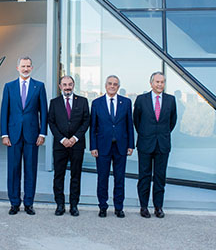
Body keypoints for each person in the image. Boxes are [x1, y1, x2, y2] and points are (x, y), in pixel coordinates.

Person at [0, 56, 48, 215]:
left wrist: (42, 133)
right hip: (13, 135)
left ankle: (29, 203)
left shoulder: (39, 87)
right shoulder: (9, 87)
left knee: (30, 170)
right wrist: (4, 134)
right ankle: (14, 203)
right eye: (23, 66)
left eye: (28, 66)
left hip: (32, 135)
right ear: (17, 68)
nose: (25, 68)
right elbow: (4, 112)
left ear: (32, 68)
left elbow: (44, 112)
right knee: (13, 170)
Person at [133, 71, 177, 219]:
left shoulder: (171, 100)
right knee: (144, 176)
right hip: (145, 143)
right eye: (157, 82)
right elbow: (136, 121)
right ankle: (144, 207)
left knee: (160, 177)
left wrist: (161, 134)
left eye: (162, 82)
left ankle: (158, 207)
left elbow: (172, 121)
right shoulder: (141, 99)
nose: (160, 84)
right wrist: (146, 133)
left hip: (162, 144)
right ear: (151, 83)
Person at [90, 75, 134, 218]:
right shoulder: (97, 103)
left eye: (115, 84)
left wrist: (131, 145)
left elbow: (129, 125)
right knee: (102, 178)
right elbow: (93, 127)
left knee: (119, 178)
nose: (112, 86)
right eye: (110, 83)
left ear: (118, 87)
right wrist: (93, 146)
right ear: (105, 85)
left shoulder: (126, 102)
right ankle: (103, 206)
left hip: (121, 146)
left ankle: (119, 207)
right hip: (102, 147)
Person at [48, 75, 90, 217]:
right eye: (64, 84)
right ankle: (60, 205)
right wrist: (62, 139)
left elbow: (86, 121)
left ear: (73, 85)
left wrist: (74, 138)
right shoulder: (54, 103)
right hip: (60, 146)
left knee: (76, 175)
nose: (67, 87)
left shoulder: (83, 101)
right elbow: (51, 123)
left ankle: (74, 205)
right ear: (60, 86)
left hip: (77, 145)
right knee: (59, 175)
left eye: (70, 84)